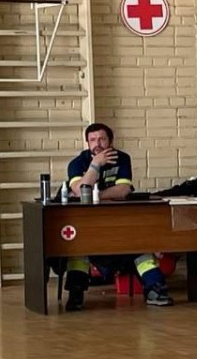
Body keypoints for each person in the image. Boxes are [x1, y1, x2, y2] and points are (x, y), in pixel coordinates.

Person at [62, 122, 173, 311]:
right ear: (87, 143)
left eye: (102, 139)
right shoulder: (77, 163)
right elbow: (80, 191)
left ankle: (156, 290)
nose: (97, 144)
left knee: (141, 246)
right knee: (78, 250)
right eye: (92, 140)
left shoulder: (122, 159)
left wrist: (95, 195)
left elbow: (123, 190)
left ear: (111, 142)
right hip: (88, 224)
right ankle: (76, 294)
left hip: (119, 222)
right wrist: (95, 165)